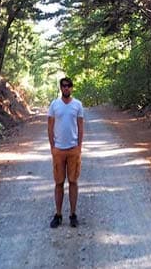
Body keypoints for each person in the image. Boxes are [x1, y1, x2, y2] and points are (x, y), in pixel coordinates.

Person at [47, 76, 84, 228]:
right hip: (59, 150)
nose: (66, 88)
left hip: (73, 149)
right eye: (63, 86)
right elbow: (50, 126)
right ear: (60, 88)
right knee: (59, 183)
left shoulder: (78, 105)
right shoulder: (54, 105)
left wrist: (79, 146)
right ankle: (58, 214)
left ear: (72, 87)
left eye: (68, 85)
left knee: (73, 182)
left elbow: (80, 126)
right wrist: (52, 147)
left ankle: (73, 214)